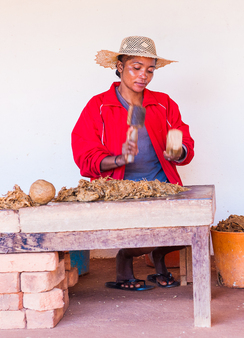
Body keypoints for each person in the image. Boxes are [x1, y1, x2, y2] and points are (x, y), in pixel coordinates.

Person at [71, 36, 195, 291]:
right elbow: (84, 157)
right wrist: (119, 159)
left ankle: (158, 257)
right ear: (119, 66)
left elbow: (185, 141)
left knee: (189, 226)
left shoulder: (162, 102)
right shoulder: (99, 105)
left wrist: (178, 151)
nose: (144, 76)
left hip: (161, 182)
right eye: (136, 67)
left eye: (150, 70)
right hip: (121, 188)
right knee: (143, 233)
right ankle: (125, 260)